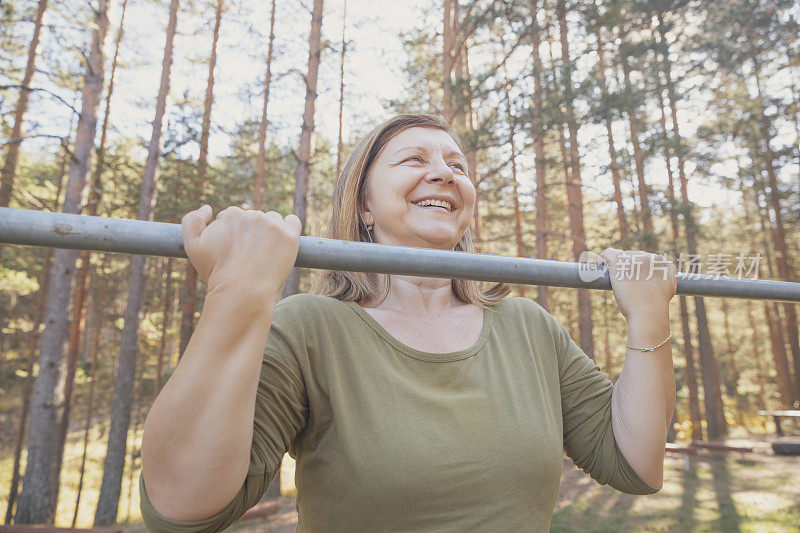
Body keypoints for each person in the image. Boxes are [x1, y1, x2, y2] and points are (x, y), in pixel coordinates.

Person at [140, 114, 677, 532]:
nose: (444, 173)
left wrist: (649, 316)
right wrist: (239, 293)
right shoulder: (309, 328)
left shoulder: (526, 326)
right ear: (365, 204)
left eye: (458, 166)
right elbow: (184, 509)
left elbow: (635, 465)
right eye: (414, 159)